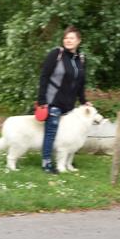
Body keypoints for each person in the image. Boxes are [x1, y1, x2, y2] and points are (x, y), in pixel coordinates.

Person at [37, 26, 88, 174]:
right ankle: (46, 163)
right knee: (51, 132)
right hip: (53, 102)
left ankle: (64, 161)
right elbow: (44, 76)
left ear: (78, 41)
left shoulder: (81, 59)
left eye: (71, 38)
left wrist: (83, 101)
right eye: (66, 38)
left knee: (67, 134)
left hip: (69, 106)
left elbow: (80, 83)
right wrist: (42, 100)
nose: (68, 41)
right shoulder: (56, 54)